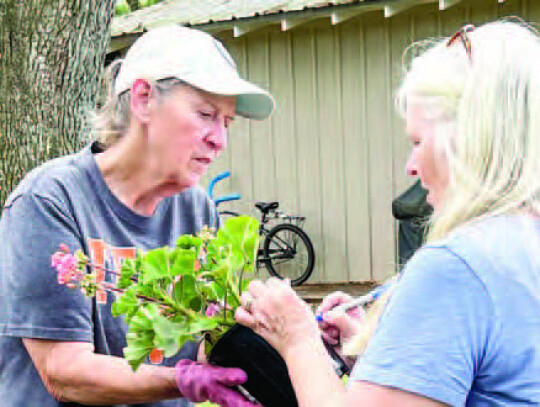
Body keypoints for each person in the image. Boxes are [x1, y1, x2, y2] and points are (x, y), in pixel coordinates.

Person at [235, 20, 540, 406]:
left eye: (418, 140)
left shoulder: (456, 268)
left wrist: (297, 338)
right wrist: (385, 356)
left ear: (467, 140)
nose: (411, 165)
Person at [0, 26, 273, 407]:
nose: (219, 140)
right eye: (206, 114)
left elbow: (207, 347)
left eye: (225, 123)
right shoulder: (50, 200)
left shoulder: (197, 211)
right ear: (144, 99)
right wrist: (180, 380)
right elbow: (62, 371)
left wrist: (296, 340)